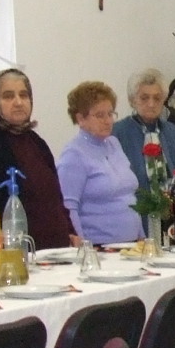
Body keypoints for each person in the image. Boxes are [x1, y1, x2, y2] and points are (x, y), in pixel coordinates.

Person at [0, 69, 77, 249]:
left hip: (55, 248)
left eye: (24, 95)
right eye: (8, 96)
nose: (18, 102)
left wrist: (70, 231)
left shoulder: (35, 141)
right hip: (15, 251)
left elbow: (55, 195)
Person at [55, 80, 143, 245]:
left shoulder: (114, 144)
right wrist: (83, 249)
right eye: (100, 115)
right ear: (80, 118)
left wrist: (141, 239)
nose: (108, 121)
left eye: (110, 114)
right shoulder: (73, 154)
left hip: (130, 245)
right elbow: (69, 207)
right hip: (98, 247)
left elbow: (129, 197)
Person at [113, 69, 175, 189]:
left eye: (157, 98)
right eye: (144, 98)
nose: (151, 104)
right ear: (132, 100)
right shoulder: (117, 133)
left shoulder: (174, 133)